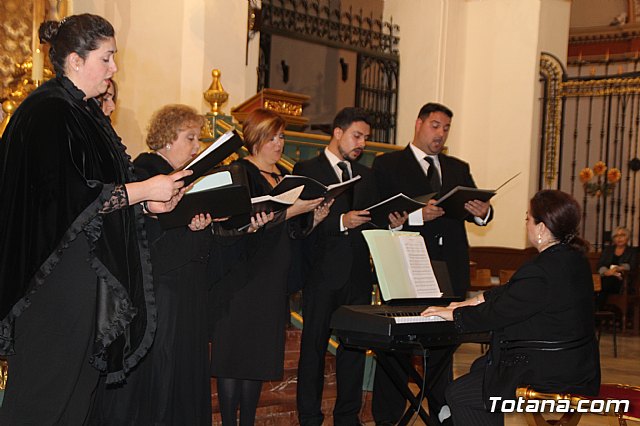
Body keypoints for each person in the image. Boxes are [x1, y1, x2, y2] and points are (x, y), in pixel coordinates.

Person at [0, 14, 190, 424]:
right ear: (74, 60)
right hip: (54, 283)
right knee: (43, 398)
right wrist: (145, 190)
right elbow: (71, 197)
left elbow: (104, 188)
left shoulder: (83, 112)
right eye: (107, 59)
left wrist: (149, 203)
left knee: (77, 398)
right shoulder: (48, 111)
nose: (114, 68)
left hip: (86, 278)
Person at [423, 189, 601, 425]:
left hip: (550, 372)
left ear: (541, 227)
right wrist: (464, 303)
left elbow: (498, 313)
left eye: (528, 218)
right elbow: (509, 292)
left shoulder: (541, 270)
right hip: (577, 364)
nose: (526, 223)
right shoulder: (573, 259)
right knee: (481, 367)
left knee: (458, 394)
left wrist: (454, 315)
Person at [370, 102, 493, 425]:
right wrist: (415, 217)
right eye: (435, 126)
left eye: (446, 128)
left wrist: (483, 214)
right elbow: (377, 215)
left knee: (443, 347)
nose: (440, 133)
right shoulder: (388, 165)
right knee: (396, 347)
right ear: (419, 123)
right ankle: (387, 417)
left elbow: (475, 210)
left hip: (449, 270)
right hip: (406, 270)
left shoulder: (457, 167)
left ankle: (442, 414)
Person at [91, 104, 215, 425]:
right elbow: (147, 248)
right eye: (190, 138)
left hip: (185, 292)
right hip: (161, 296)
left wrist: (198, 229)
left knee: (182, 377)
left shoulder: (185, 179)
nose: (197, 147)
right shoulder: (144, 175)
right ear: (167, 139)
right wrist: (191, 232)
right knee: (162, 380)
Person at [209, 108, 326, 426]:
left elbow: (289, 233)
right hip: (243, 277)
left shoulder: (284, 178)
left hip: (273, 277)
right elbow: (232, 226)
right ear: (256, 139)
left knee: (258, 358)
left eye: (282, 136)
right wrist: (290, 212)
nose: (279, 143)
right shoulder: (240, 172)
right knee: (235, 358)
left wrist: (311, 219)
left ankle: (247, 421)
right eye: (272, 137)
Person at [294, 107, 407, 426]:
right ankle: (310, 417)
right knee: (313, 350)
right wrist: (341, 221)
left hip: (357, 275)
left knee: (354, 350)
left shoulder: (367, 174)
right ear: (338, 132)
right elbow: (301, 222)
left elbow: (374, 219)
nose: (362, 143)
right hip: (322, 273)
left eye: (366, 138)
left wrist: (394, 223)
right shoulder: (308, 168)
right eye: (357, 136)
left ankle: (347, 417)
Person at [596, 226, 637, 310]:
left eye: (622, 235)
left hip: (622, 281)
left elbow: (632, 266)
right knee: (602, 284)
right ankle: (598, 312)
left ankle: (597, 312)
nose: (619, 238)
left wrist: (617, 269)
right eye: (616, 236)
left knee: (604, 285)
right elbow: (600, 265)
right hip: (607, 277)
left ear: (627, 237)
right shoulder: (608, 250)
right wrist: (606, 272)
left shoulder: (632, 251)